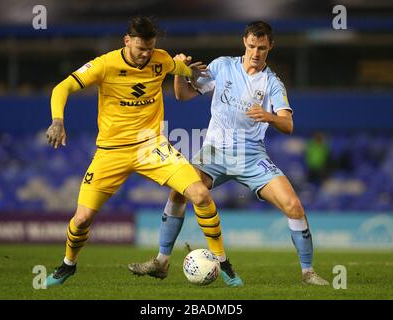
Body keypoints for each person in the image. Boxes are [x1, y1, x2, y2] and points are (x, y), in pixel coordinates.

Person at [44, 16, 242, 287]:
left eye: (150, 48)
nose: (146, 55)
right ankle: (68, 265)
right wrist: (57, 120)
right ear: (127, 41)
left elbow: (182, 69)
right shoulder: (105, 64)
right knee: (81, 219)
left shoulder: (160, 59)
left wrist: (188, 69)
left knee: (200, 194)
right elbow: (62, 87)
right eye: (140, 49)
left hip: (152, 146)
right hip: (111, 152)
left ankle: (224, 264)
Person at [129, 21, 329, 286]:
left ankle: (308, 272)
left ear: (270, 47)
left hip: (252, 157)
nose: (256, 53)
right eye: (251, 46)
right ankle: (162, 261)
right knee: (179, 190)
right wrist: (179, 73)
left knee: (293, 206)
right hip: (215, 152)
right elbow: (183, 96)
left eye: (262, 48)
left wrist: (267, 116)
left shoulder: (272, 84)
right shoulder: (222, 66)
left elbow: (288, 125)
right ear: (244, 42)